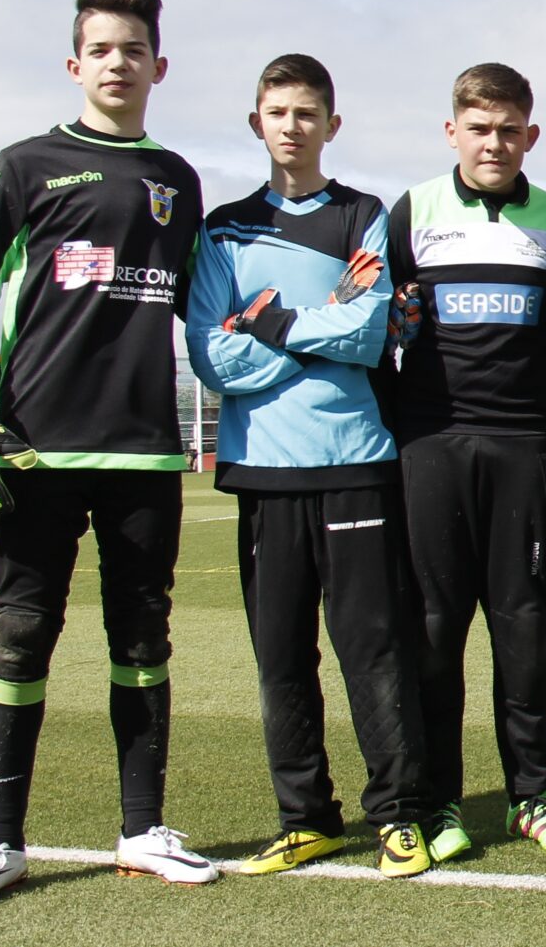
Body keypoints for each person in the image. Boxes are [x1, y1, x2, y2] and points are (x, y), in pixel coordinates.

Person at [0, 0, 217, 910]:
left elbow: (199, 307)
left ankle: (141, 830)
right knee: (22, 637)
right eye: (101, 48)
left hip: (141, 451)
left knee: (143, 638)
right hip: (34, 450)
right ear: (75, 64)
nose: (118, 62)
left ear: (158, 66)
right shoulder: (26, 164)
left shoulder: (178, 175)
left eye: (134, 48)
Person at [185, 54, 428, 879]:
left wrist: (273, 323)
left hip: (356, 460)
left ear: (332, 123)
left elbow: (367, 335)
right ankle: (306, 817)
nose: (292, 124)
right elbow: (212, 356)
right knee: (282, 653)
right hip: (262, 468)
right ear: (257, 123)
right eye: (277, 111)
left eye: (307, 111)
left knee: (374, 647)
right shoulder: (222, 229)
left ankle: (396, 814)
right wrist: (314, 328)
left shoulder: (363, 217)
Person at [383, 63, 546, 861]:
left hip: (522, 449)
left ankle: (530, 797)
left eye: (509, 130)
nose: (494, 142)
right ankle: (438, 804)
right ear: (452, 131)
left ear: (530, 135)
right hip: (430, 445)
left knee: (524, 628)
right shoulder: (412, 210)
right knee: (435, 633)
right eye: (479, 128)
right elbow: (378, 323)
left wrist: (536, 407)